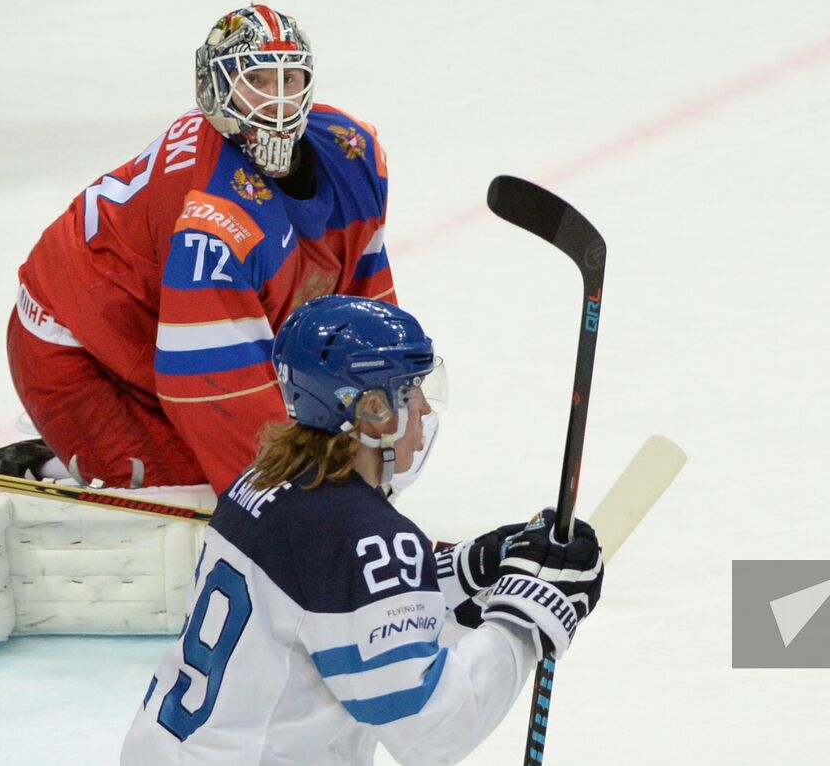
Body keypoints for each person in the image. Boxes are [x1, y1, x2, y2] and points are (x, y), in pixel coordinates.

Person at [121, 295, 603, 764]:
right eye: (412, 392)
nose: (426, 412)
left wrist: (470, 572)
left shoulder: (265, 482)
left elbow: (348, 612)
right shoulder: (360, 534)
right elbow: (431, 731)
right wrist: (527, 616)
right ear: (373, 410)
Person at [0, 4, 395, 494]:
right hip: (75, 345)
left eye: (290, 81)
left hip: (156, 322)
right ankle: (55, 461)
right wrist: (296, 497)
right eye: (258, 81)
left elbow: (364, 307)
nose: (279, 102)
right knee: (196, 489)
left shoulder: (353, 151)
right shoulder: (215, 218)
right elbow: (220, 402)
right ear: (214, 88)